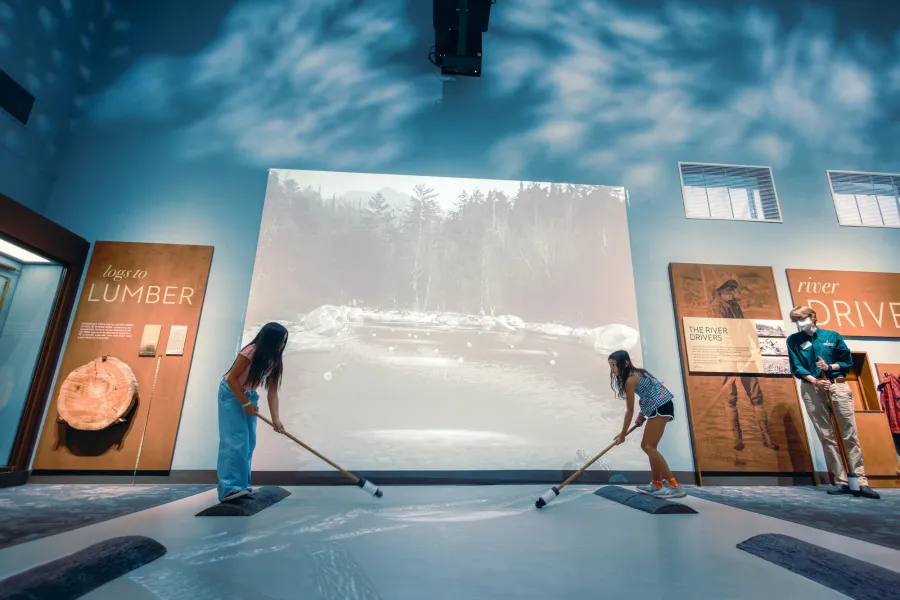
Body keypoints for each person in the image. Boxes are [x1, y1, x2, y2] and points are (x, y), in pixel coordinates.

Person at [786, 306, 879, 500]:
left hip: (837, 385)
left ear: (812, 317)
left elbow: (847, 361)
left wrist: (829, 367)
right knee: (826, 436)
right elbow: (797, 366)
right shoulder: (794, 340)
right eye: (795, 320)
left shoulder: (831, 336)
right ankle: (842, 481)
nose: (799, 323)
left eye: (801, 319)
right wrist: (815, 380)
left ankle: (860, 481)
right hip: (812, 387)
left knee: (849, 434)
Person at [217, 322, 288, 503]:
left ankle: (241, 486)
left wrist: (276, 420)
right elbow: (232, 379)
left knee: (249, 442)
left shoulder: (274, 360)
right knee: (235, 440)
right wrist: (244, 402)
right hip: (232, 393)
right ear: (271, 340)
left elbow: (272, 392)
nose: (283, 344)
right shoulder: (251, 351)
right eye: (281, 340)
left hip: (248, 395)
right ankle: (229, 489)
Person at [708, 277, 778, 451]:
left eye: (733, 289)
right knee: (730, 398)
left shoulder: (735, 306)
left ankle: (766, 438)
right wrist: (735, 356)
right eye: (729, 290)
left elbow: (746, 327)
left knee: (756, 396)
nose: (732, 292)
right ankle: (736, 440)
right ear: (720, 291)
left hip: (745, 356)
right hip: (727, 359)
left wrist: (755, 345)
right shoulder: (716, 308)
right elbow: (721, 333)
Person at [609, 350, 685, 498]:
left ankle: (675, 487)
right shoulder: (637, 373)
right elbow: (649, 393)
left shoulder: (631, 380)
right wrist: (642, 414)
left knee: (647, 446)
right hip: (658, 406)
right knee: (651, 447)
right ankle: (657, 484)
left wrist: (623, 434)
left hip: (660, 407)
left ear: (624, 364)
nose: (612, 369)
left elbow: (629, 411)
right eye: (610, 365)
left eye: (613, 365)